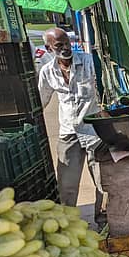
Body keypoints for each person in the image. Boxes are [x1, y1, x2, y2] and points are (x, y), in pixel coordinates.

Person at [38, 28, 106, 222]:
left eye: (67, 42)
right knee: (67, 185)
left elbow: (104, 88)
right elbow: (41, 100)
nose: (66, 48)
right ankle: (68, 223)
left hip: (94, 131)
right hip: (68, 132)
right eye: (59, 45)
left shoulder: (87, 61)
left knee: (103, 181)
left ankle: (104, 219)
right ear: (48, 48)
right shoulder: (47, 72)